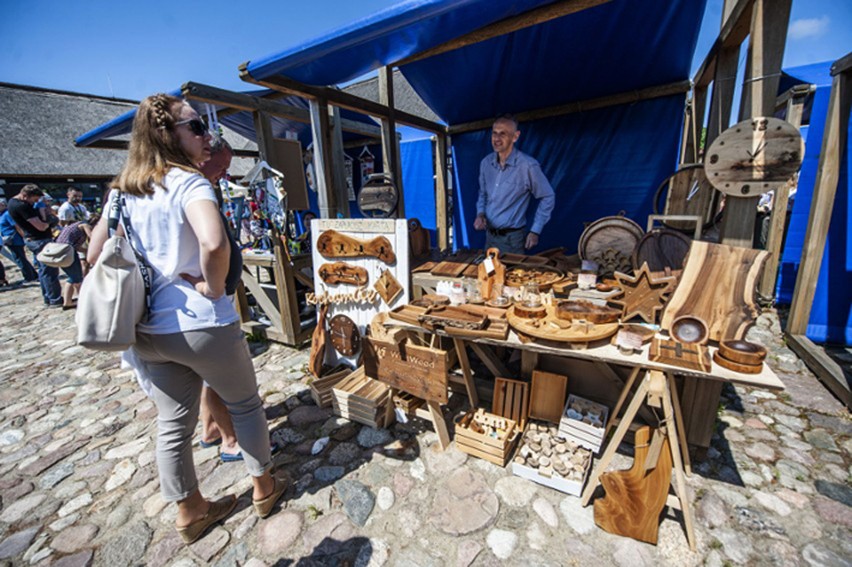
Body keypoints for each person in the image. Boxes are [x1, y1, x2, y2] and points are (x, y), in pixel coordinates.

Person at [87, 94, 286, 544]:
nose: (206, 136)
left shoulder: (122, 189)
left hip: (147, 329)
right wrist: (212, 289)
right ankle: (264, 487)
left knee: (173, 424)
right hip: (199, 323)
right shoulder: (188, 183)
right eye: (195, 127)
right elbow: (215, 244)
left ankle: (190, 511)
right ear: (166, 135)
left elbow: (94, 254)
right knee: (246, 405)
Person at [196, 133, 243, 462]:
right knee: (218, 374)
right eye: (221, 165)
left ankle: (210, 428)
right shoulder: (193, 189)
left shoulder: (206, 187)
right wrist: (213, 287)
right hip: (207, 302)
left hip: (216, 294)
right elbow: (212, 245)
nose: (224, 172)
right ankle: (230, 438)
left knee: (208, 375)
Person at [474, 114, 555, 254]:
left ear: (515, 137)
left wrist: (535, 230)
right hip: (489, 237)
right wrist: (480, 214)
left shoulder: (528, 166)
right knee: (490, 275)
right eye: (494, 133)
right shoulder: (486, 164)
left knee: (514, 275)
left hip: (512, 240)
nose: (497, 139)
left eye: (503, 134)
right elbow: (483, 193)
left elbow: (548, 196)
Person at [7, 184, 62, 306]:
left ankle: (48, 297)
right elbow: (41, 227)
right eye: (35, 199)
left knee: (43, 270)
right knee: (49, 270)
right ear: (25, 196)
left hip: (34, 239)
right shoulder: (21, 206)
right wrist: (50, 220)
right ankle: (54, 298)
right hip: (39, 239)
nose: (35, 202)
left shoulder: (13, 202)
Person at [54, 219, 93, 309]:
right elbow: (92, 237)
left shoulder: (74, 227)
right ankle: (84, 301)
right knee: (76, 278)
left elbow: (78, 247)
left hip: (61, 252)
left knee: (72, 278)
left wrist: (88, 251)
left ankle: (67, 302)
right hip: (67, 253)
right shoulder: (84, 224)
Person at [0, 200, 38, 283]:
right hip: (9, 240)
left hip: (14, 240)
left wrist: (24, 237)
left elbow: (17, 226)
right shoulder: (2, 214)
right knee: (21, 258)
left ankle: (29, 277)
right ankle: (33, 275)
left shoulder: (7, 214)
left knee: (19, 259)